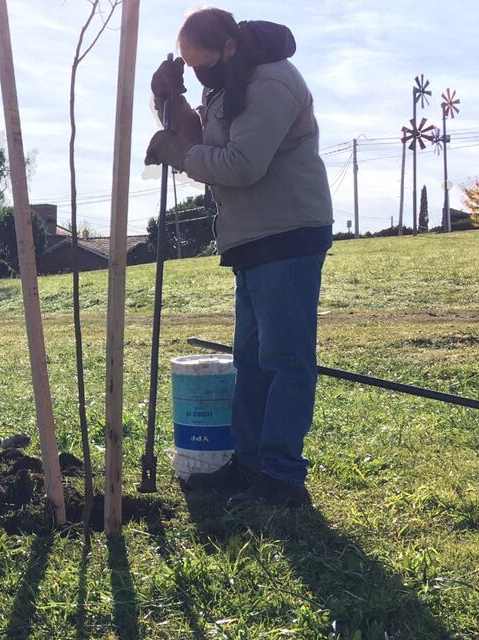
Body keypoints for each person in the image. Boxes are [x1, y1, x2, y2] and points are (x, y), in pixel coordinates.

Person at [145, 8, 333, 508]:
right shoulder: (226, 83)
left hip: (288, 234)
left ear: (229, 45)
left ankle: (281, 476)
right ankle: (250, 464)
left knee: (285, 359)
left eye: (199, 64)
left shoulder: (273, 82)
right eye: (188, 65)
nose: (197, 72)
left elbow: (241, 165)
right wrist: (170, 98)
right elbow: (201, 141)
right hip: (251, 240)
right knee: (250, 362)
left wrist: (177, 154)